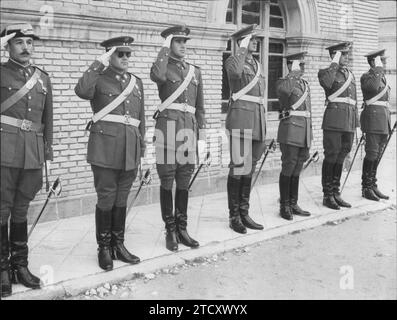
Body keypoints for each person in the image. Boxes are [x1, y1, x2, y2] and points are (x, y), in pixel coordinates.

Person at [75, 36, 145, 271]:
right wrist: (98, 64)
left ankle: (119, 244)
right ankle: (103, 248)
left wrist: (141, 148)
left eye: (128, 54)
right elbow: (81, 91)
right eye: (120, 54)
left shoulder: (136, 82)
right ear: (109, 55)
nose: (126, 58)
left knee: (122, 197)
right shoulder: (97, 79)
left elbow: (140, 119)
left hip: (130, 148)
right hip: (105, 148)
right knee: (106, 197)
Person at [0, 23, 53, 297]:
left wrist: (48, 154)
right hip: (4, 151)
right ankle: (2, 271)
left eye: (30, 42)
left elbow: (47, 121)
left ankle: (20, 266)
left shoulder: (42, 78)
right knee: (2, 210)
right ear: (7, 45)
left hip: (32, 151)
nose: (26, 47)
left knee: (21, 210)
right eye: (19, 42)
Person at [150, 24, 206, 252]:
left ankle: (182, 228)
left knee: (184, 180)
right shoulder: (163, 67)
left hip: (188, 131)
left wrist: (201, 134)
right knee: (167, 179)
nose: (183, 45)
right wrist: (163, 51)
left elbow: (199, 107)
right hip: (167, 130)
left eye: (185, 42)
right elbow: (156, 75)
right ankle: (170, 229)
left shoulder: (195, 71)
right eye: (177, 41)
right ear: (169, 44)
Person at [224, 24, 266, 234]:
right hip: (240, 119)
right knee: (239, 166)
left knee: (249, 166)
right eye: (252, 38)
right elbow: (235, 73)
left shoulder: (257, 64)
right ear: (242, 41)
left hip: (256, 120)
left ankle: (244, 211)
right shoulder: (233, 60)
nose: (256, 41)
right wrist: (241, 48)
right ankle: (234, 216)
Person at [318, 42, 359, 210]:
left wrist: (356, 122)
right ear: (335, 55)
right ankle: (327, 195)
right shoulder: (325, 73)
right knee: (331, 156)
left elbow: (354, 101)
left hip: (348, 121)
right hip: (334, 121)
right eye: (343, 54)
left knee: (342, 154)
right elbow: (327, 83)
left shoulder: (350, 74)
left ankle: (336, 192)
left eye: (347, 54)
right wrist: (334, 62)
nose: (347, 57)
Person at [276, 51, 312, 220]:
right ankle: (284, 205)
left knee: (297, 168)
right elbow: (284, 94)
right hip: (290, 130)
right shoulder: (284, 82)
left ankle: (293, 203)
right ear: (291, 66)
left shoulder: (304, 84)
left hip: (304, 131)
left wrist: (309, 134)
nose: (303, 68)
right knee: (288, 167)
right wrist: (293, 74)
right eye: (300, 64)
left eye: (303, 64)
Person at [360, 49, 391, 201]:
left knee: (378, 154)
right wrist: (377, 69)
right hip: (372, 122)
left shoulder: (381, 78)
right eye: (381, 61)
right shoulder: (367, 77)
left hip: (383, 121)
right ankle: (366, 187)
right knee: (371, 154)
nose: (384, 64)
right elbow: (372, 88)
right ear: (374, 62)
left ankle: (373, 185)